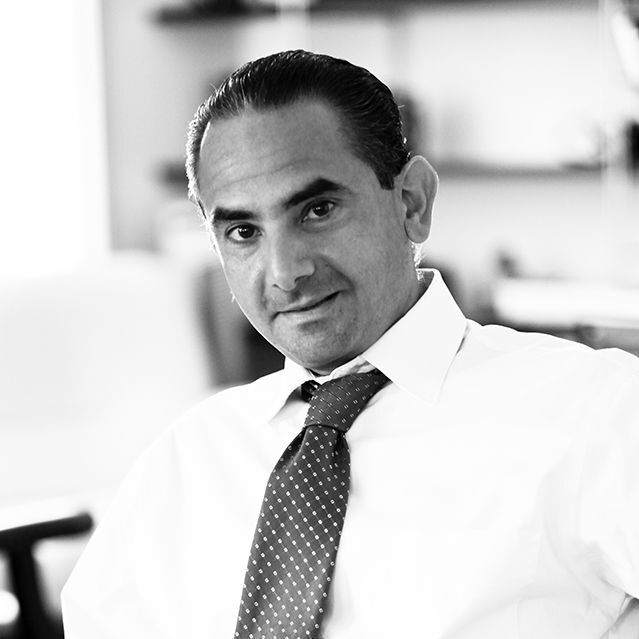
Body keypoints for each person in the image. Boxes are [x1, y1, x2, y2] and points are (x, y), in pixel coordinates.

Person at [62, 50, 639, 638]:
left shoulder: (600, 412)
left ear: (412, 202)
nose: (285, 272)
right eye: (243, 231)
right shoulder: (186, 460)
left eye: (317, 210)